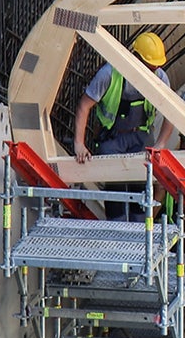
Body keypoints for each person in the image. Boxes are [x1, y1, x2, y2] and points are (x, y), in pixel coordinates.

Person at [71, 32, 177, 219]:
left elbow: (173, 112)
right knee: (116, 192)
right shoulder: (109, 74)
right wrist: (79, 144)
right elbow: (84, 106)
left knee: (141, 192)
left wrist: (160, 144)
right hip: (112, 138)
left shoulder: (160, 77)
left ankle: (139, 235)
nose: (153, 71)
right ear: (135, 58)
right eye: (149, 67)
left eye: (155, 67)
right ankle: (117, 230)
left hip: (142, 138)